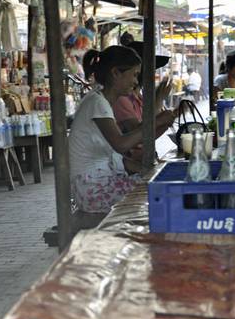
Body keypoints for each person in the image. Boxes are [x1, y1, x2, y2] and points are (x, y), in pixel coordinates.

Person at [68, 45, 176, 213]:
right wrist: (155, 121)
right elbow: (121, 144)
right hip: (92, 190)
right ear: (116, 73)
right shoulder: (97, 102)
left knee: (161, 185)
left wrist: (147, 169)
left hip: (99, 182)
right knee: (161, 194)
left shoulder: (101, 101)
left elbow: (117, 157)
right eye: (134, 75)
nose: (135, 82)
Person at [113, 41, 172, 133]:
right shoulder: (122, 98)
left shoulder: (138, 96)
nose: (153, 74)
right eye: (151, 70)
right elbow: (140, 137)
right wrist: (159, 101)